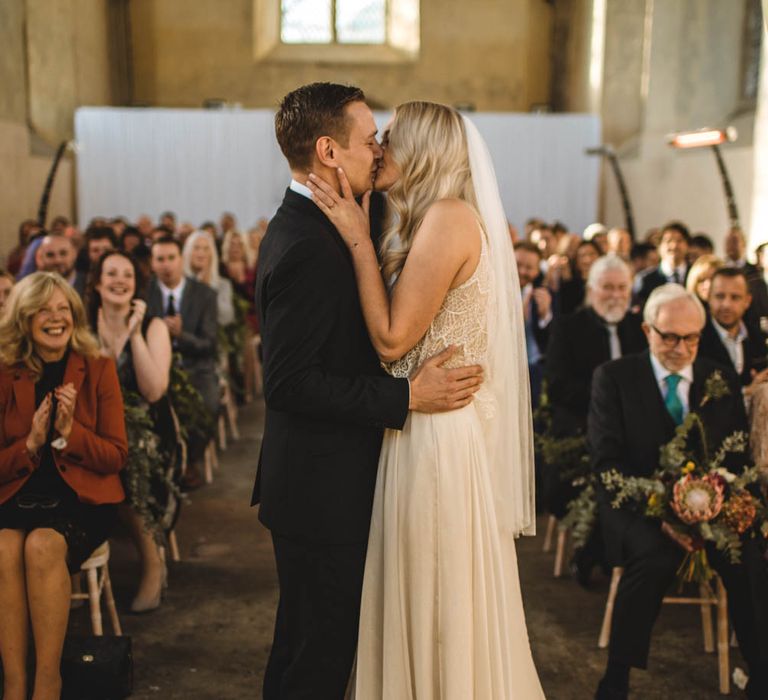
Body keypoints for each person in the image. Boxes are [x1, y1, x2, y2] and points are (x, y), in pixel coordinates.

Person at [255, 84, 484, 700]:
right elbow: (287, 382)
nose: (378, 150)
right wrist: (406, 397)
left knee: (309, 649)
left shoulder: (336, 219)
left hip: (333, 482)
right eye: (369, 139)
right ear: (329, 151)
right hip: (318, 488)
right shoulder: (307, 242)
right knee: (317, 659)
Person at [308, 100, 542, 698]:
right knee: (425, 590)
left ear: (424, 150)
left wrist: (359, 243)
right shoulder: (434, 217)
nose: (379, 147)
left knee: (433, 596)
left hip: (436, 437)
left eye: (390, 136)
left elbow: (391, 340)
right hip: (420, 424)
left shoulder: (449, 217)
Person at [588, 284, 768, 699]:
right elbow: (606, 461)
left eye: (690, 337)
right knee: (652, 555)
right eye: (668, 336)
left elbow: (737, 456)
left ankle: (760, 671)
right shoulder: (613, 378)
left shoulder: (718, 378)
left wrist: (727, 502)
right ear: (647, 329)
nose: (679, 347)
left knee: (746, 556)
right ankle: (616, 677)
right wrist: (660, 506)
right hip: (635, 505)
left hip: (712, 506)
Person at [0, 272, 127, 700]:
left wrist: (69, 433)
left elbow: (115, 456)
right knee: (2, 547)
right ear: (24, 318)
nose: (56, 318)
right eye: (43, 309)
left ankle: (47, 682)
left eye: (63, 309)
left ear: (74, 315)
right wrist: (31, 443)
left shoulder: (97, 368)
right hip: (17, 494)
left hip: (81, 498)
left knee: (42, 545)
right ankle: (14, 683)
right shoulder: (5, 372)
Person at [544, 255, 646, 583]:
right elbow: (558, 386)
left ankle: (613, 551)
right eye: (607, 287)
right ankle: (599, 551)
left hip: (632, 432)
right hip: (579, 428)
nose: (615, 295)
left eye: (622, 287)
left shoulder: (641, 330)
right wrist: (607, 406)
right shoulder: (568, 327)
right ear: (591, 289)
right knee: (603, 469)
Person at [86, 251, 173, 613]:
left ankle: (153, 564)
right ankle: (76, 569)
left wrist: (134, 334)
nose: (119, 281)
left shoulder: (154, 326)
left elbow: (154, 391)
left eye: (126, 275)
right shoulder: (83, 327)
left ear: (136, 286)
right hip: (95, 429)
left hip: (148, 433)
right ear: (97, 283)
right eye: (111, 274)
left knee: (128, 460)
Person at [147, 237, 218, 488]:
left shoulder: (204, 294)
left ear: (181, 260)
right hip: (156, 367)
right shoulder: (145, 293)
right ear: (152, 263)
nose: (166, 265)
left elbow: (210, 344)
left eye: (171, 258)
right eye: (159, 259)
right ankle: (159, 463)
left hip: (194, 366)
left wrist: (181, 335)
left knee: (208, 404)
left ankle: (191, 461)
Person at [697, 267, 768, 395]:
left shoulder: (758, 337)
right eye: (720, 296)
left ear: (747, 301)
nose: (726, 304)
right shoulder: (695, 339)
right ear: (708, 298)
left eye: (735, 297)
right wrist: (746, 392)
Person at [515, 240, 552, 407]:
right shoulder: (493, 291)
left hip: (534, 366)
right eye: (518, 264)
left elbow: (552, 338)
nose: (522, 271)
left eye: (529, 268)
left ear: (537, 271)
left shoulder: (544, 294)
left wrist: (545, 315)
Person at [182, 230, 235, 326]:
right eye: (196, 248)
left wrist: (207, 288)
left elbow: (227, 318)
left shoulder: (223, 284)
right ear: (188, 252)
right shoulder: (180, 282)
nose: (201, 253)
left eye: (206, 249)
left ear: (212, 254)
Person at [635, 221, 691, 306]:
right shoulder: (645, 279)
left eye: (679, 240)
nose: (674, 246)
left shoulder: (695, 276)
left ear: (688, 246)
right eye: (668, 241)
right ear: (659, 247)